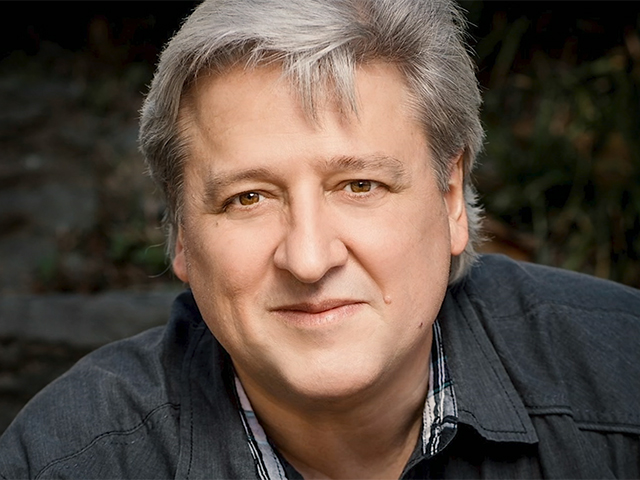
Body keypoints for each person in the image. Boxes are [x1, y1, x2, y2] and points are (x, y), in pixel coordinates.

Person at [2, 0, 639, 478]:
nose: (308, 260)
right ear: (182, 238)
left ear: (450, 201)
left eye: (359, 185)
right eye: (248, 198)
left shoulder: (623, 381)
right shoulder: (64, 460)